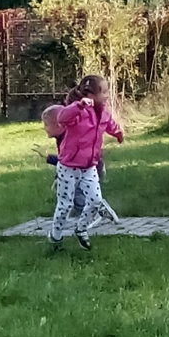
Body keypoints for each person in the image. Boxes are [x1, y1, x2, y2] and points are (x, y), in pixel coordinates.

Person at [48, 75, 123, 250]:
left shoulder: (103, 113)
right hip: (68, 167)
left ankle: (81, 229)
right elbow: (62, 118)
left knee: (96, 201)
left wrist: (118, 132)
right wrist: (78, 106)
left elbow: (109, 124)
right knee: (65, 205)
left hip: (89, 167)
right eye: (104, 92)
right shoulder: (78, 112)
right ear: (91, 95)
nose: (107, 95)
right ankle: (56, 236)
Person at [33, 104, 119, 226]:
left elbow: (70, 161)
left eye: (46, 125)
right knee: (83, 194)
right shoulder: (63, 137)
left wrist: (48, 157)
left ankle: (92, 216)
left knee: (77, 196)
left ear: (59, 125)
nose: (44, 128)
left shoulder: (68, 139)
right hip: (86, 167)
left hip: (88, 168)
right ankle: (100, 208)